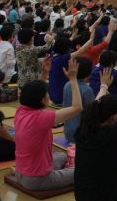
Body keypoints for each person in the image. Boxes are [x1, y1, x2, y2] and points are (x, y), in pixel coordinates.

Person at [14, 59, 83, 190]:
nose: (48, 95)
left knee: (62, 156)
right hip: (38, 180)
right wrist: (73, 79)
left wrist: (45, 73)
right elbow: (77, 108)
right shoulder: (42, 117)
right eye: (47, 93)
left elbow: (34, 91)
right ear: (42, 100)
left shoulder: (20, 111)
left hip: (20, 173)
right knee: (84, 170)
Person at [62, 57, 95, 143]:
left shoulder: (67, 84)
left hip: (67, 132)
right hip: (81, 134)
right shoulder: (87, 90)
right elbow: (92, 113)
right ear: (89, 73)